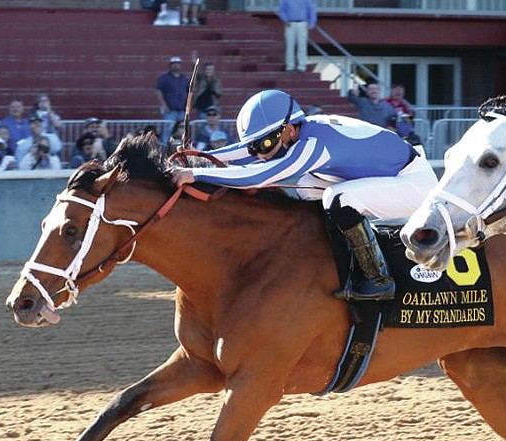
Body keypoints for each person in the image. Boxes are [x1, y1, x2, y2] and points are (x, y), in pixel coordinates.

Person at [169, 89, 438, 302]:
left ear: (288, 130)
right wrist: (197, 159)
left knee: (338, 197)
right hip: (387, 173)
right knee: (310, 186)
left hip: (412, 183)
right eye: (257, 144)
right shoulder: (298, 129)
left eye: (264, 144)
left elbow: (259, 175)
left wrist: (195, 174)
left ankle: (379, 279)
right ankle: (333, 256)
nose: (260, 152)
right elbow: (244, 152)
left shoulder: (314, 147)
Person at [278, 0, 317, 73]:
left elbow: (312, 10)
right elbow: (281, 10)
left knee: (302, 45)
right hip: (290, 23)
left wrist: (311, 23)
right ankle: (290, 66)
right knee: (290, 45)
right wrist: (285, 19)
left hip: (302, 23)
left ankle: (301, 66)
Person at [155, 56, 190, 145]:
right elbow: (158, 91)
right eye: (174, 64)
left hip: (182, 110)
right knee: (168, 131)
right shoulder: (165, 78)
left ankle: (183, 148)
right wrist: (163, 104)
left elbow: (189, 91)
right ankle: (164, 148)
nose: (176, 66)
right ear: (170, 65)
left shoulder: (184, 78)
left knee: (183, 132)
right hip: (170, 111)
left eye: (177, 63)